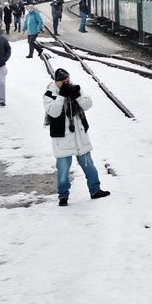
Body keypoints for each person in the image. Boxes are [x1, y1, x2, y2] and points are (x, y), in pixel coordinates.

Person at [44, 67, 110, 206]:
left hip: (79, 136)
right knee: (63, 171)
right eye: (64, 82)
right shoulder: (50, 94)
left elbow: (88, 104)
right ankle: (63, 196)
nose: (67, 83)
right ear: (57, 82)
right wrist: (62, 96)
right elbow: (54, 112)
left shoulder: (75, 88)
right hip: (62, 139)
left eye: (68, 80)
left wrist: (77, 95)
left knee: (89, 166)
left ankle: (95, 190)